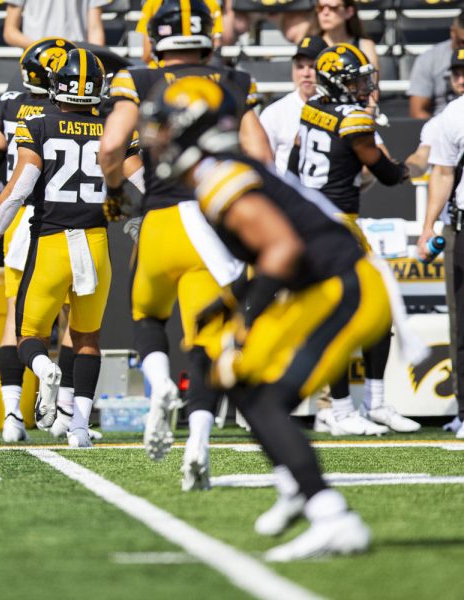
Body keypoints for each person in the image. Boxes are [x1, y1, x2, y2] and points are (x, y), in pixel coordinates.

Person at [140, 74, 425, 560]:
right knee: (225, 368)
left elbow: (283, 248)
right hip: (319, 286)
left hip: (343, 287)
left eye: (165, 125)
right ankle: (293, 480)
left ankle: (332, 515)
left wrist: (246, 313)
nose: (156, 137)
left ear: (190, 126)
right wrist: (231, 305)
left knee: (265, 394)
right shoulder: (221, 172)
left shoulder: (219, 178)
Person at [99, 0, 271, 491]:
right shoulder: (236, 83)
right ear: (210, 37)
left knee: (147, 318)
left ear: (154, 40)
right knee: (205, 337)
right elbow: (262, 153)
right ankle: (198, 439)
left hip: (161, 219)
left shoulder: (140, 79)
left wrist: (114, 191)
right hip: (214, 223)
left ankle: (158, 389)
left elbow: (111, 148)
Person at [0, 49, 141, 448]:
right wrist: (145, 223)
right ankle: (78, 430)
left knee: (27, 336)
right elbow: (142, 186)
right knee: (88, 339)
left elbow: (18, 189)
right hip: (96, 244)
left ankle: (44, 371)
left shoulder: (37, 124)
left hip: (50, 241)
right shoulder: (113, 127)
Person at [289, 43, 419, 435]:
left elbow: (295, 164)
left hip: (314, 221)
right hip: (337, 225)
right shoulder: (352, 119)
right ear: (337, 82)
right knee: (356, 313)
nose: (364, 86)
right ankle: (347, 408)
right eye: (357, 80)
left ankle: (368, 404)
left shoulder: (312, 109)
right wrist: (411, 165)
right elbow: (388, 175)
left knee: (370, 310)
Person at [0, 36, 80, 443]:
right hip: (71, 219)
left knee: (17, 323)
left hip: (20, 220)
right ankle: (68, 416)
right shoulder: (74, 111)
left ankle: (11, 417)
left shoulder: (9, 104)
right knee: (74, 323)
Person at [419, 77, 464, 440]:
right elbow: (443, 172)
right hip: (463, 226)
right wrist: (428, 226)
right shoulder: (455, 113)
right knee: (461, 322)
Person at [259, 35, 327, 174]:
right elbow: (264, 163)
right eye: (300, 67)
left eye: (312, 66)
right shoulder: (274, 112)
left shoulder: (339, 108)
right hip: (287, 191)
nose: (305, 73)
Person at [406, 49, 464, 178]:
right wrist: (404, 170)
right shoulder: (441, 122)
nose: (461, 81)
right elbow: (422, 155)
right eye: (456, 74)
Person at [408, 14, 464, 119]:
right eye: (462, 41)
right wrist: (440, 129)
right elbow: (417, 111)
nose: (461, 80)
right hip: (443, 126)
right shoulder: (429, 59)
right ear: (453, 32)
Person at [135, 0, 226, 63]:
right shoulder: (209, 3)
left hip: (160, 77)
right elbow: (215, 46)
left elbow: (146, 54)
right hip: (199, 74)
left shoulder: (153, 3)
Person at [3, 0, 105, 50]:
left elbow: (95, 30)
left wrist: (95, 60)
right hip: (37, 61)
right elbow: (10, 32)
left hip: (76, 62)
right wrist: (44, 49)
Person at [309, 0, 378, 73]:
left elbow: (372, 81)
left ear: (349, 12)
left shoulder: (364, 46)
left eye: (333, 7)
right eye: (320, 7)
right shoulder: (309, 45)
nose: (325, 13)